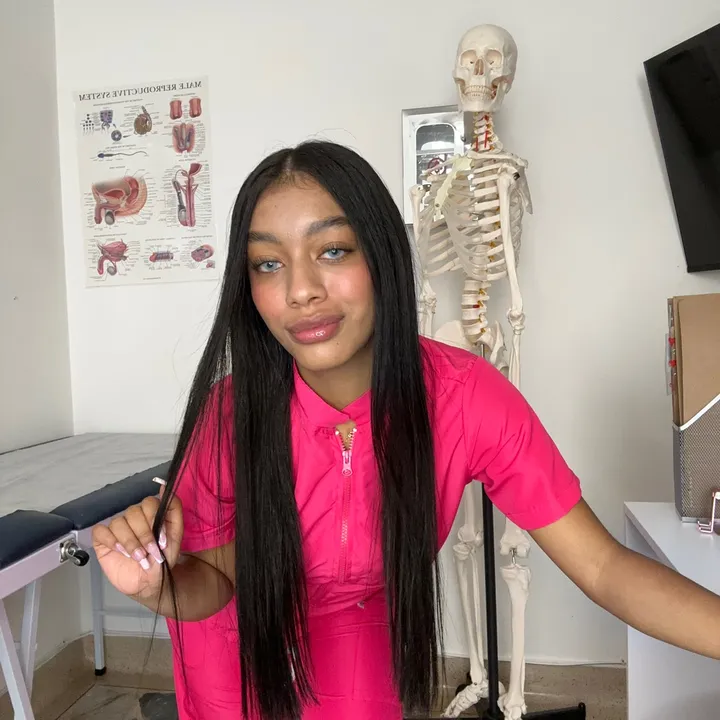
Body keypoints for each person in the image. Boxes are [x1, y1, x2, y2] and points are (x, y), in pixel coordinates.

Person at [92, 140, 720, 720]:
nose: (301, 291)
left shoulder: (464, 397)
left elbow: (603, 566)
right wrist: (155, 586)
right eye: (267, 264)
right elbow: (215, 580)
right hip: (240, 663)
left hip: (362, 647)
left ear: (382, 255)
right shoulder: (231, 414)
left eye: (332, 250)